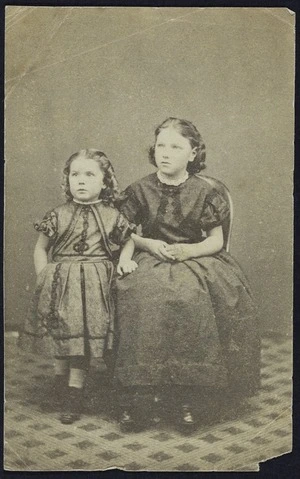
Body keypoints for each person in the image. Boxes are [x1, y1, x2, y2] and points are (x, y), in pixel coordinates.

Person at [114, 117, 260, 433]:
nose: (165, 153)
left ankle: (189, 398)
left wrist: (187, 252)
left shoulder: (204, 192)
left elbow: (216, 240)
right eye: (161, 146)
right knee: (141, 293)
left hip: (197, 258)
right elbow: (123, 233)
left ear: (192, 153)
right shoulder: (139, 189)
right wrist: (150, 243)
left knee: (192, 297)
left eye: (176, 147)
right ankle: (140, 395)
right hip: (152, 257)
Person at [19, 149, 137, 424]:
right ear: (67, 179)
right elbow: (41, 248)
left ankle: (75, 393)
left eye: (89, 174)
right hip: (61, 283)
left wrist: (126, 259)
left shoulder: (111, 215)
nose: (80, 181)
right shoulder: (57, 214)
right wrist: (44, 277)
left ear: (105, 182)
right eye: (75, 174)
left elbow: (129, 239)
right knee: (64, 334)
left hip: (96, 286)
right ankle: (61, 385)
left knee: (81, 339)